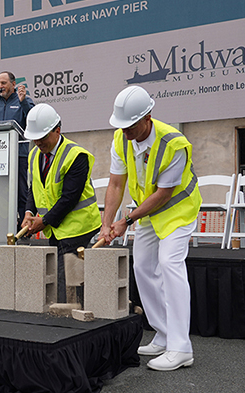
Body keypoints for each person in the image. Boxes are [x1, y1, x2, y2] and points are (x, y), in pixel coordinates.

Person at [99, 85, 202, 371]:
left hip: (177, 211)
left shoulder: (173, 143)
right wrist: (107, 223)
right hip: (147, 213)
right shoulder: (121, 139)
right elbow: (116, 183)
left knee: (170, 263)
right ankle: (164, 333)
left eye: (130, 125)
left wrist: (126, 220)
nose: (126, 131)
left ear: (148, 117)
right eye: (122, 125)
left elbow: (164, 194)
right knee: (143, 267)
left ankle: (181, 347)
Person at [21, 103, 101, 303]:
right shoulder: (34, 155)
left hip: (78, 227)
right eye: (35, 138)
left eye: (43, 137)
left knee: (67, 279)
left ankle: (71, 317)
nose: (38, 142)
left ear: (57, 130)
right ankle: (75, 307)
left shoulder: (76, 156)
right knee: (66, 276)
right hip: (56, 228)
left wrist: (44, 222)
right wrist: (28, 213)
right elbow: (34, 188)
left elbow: (69, 198)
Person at [0, 71, 35, 227]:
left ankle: (24, 228)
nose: (0, 86)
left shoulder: (23, 101)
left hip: (18, 155)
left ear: (13, 84)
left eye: (4, 83)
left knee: (21, 193)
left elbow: (33, 120)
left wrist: (23, 102)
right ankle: (0, 227)